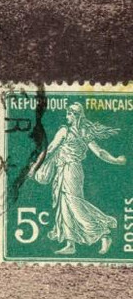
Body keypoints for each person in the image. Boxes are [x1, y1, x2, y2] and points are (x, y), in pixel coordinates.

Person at [28, 103, 126, 254]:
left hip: (71, 170)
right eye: (67, 114)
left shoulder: (69, 131)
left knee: (74, 204)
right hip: (63, 170)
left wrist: (35, 167)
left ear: (75, 115)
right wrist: (116, 160)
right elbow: (99, 152)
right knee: (64, 205)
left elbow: (50, 150)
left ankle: (103, 234)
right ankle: (70, 244)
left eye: (69, 114)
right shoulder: (80, 131)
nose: (67, 117)